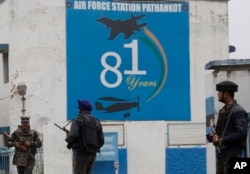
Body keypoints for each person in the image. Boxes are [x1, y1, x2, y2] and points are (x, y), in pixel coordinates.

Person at [209, 81, 248, 174]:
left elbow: (242, 133)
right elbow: (219, 133)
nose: (218, 94)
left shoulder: (238, 111)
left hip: (233, 155)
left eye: (219, 92)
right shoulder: (222, 111)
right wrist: (212, 136)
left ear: (226, 94)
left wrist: (222, 140)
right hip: (221, 156)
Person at [66, 99, 104, 174]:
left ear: (80, 109)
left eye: (78, 108)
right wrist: (93, 149)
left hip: (80, 153)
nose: (78, 110)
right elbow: (101, 140)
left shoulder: (77, 120)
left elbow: (73, 135)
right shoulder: (96, 122)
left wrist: (67, 138)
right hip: (92, 155)